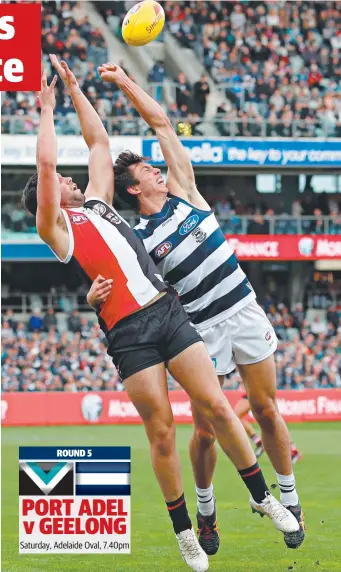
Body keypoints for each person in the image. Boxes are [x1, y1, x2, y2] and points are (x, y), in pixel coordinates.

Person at [21, 58, 298, 572]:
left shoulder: (101, 203)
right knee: (164, 431)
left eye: (66, 176)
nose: (66, 179)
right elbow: (43, 169)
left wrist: (78, 92)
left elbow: (99, 145)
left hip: (168, 313)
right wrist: (45, 110)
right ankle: (184, 533)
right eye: (60, 180)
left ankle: (263, 496)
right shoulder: (54, 229)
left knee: (216, 406)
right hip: (129, 332)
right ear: (47, 199)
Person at [234, 392, 302, 464]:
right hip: (255, 391)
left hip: (258, 390)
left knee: (272, 422)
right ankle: (293, 450)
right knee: (273, 422)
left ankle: (293, 450)